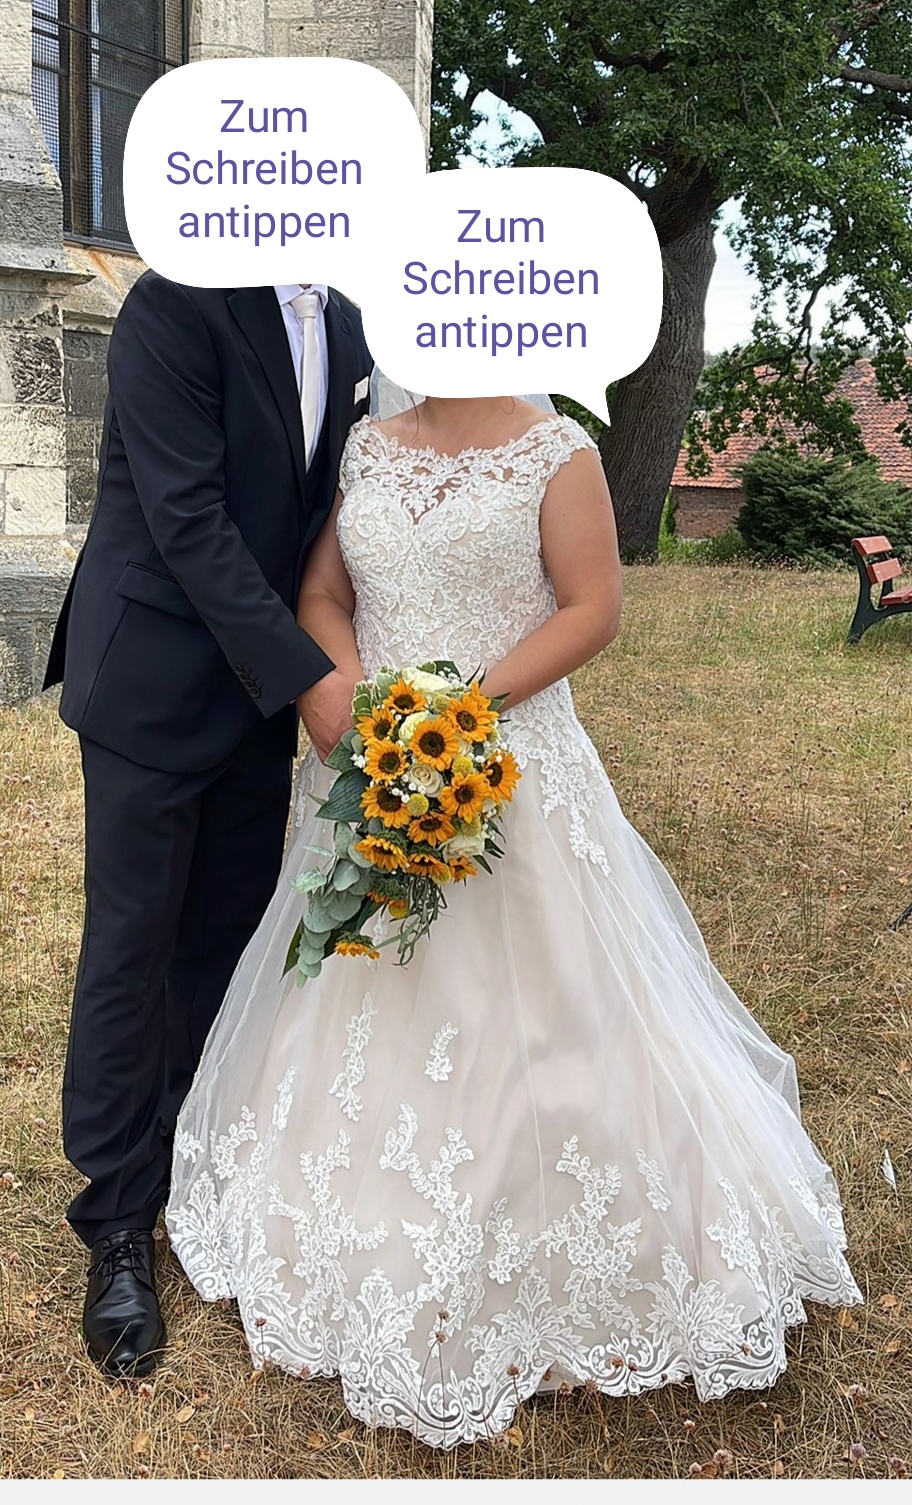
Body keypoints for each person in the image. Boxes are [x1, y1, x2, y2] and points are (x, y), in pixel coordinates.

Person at [165, 384, 861, 1447]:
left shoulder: (557, 449)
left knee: (547, 1011)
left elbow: (593, 608)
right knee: (359, 983)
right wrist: (355, 704)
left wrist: (458, 716)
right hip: (376, 766)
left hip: (510, 765)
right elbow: (324, 593)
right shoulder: (367, 444)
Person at [43, 273, 372, 1377]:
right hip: (152, 680)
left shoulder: (347, 322)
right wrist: (311, 678)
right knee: (133, 949)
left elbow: (327, 515)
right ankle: (116, 1220)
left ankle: (196, 1160)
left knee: (227, 945)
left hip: (258, 697)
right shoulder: (172, 303)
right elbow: (185, 517)